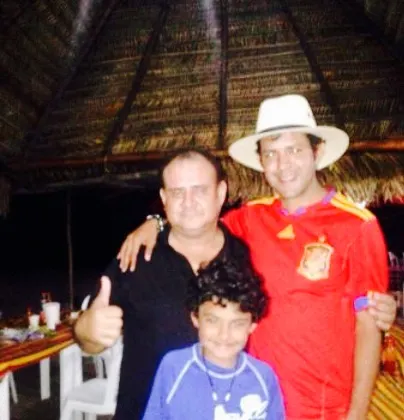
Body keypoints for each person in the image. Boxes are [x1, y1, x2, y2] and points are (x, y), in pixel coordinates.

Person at [116, 95, 397, 419]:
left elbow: (369, 326)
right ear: (261, 161)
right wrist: (156, 222)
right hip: (253, 401)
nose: (283, 164)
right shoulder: (249, 218)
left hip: (324, 408)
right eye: (271, 154)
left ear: (317, 152)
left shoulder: (357, 226)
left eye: (294, 150)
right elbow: (196, 223)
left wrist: (357, 412)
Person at [74, 148, 260, 419]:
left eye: (199, 190)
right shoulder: (136, 258)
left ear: (220, 193)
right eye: (177, 192)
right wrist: (88, 330)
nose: (188, 202)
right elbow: (86, 340)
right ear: (164, 199)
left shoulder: (246, 256)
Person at [143, 258, 285, 420]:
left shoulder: (264, 377)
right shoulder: (173, 366)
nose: (224, 334)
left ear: (252, 326)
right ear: (195, 318)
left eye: (237, 324)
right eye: (212, 321)